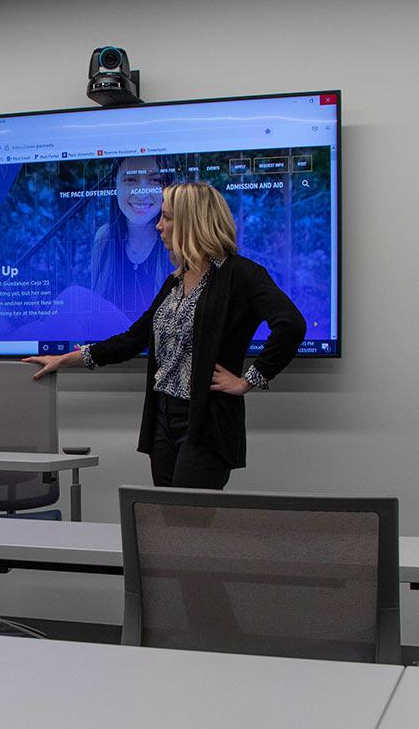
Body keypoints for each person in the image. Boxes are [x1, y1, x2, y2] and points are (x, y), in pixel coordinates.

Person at [24, 181, 305, 489]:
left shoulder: (241, 274)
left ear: (191, 221)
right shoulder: (176, 280)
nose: (159, 226)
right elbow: (134, 338)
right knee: (163, 520)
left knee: (189, 522)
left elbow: (291, 324)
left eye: (167, 217)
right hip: (163, 418)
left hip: (205, 423)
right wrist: (65, 360)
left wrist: (249, 380)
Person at [88, 155, 172, 320]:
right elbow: (94, 313)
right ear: (116, 186)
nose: (141, 194)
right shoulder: (103, 238)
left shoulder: (177, 242)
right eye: (131, 180)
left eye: (154, 180)